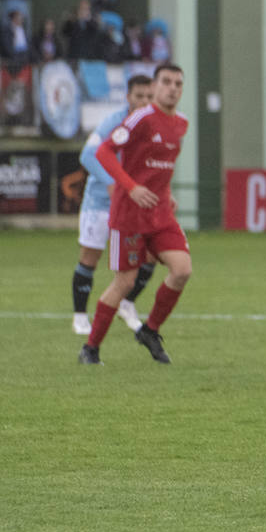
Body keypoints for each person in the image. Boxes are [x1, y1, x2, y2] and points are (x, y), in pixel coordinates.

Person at [78, 64, 192, 366]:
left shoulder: (181, 124)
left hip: (160, 215)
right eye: (166, 82)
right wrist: (130, 188)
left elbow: (158, 168)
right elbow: (103, 152)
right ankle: (90, 349)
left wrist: (166, 195)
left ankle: (150, 330)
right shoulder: (140, 118)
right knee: (124, 283)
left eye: (178, 83)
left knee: (181, 270)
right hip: (129, 215)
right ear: (155, 87)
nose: (172, 88)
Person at [70, 75, 157, 336]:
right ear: (128, 97)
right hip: (100, 201)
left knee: (152, 253)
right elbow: (87, 155)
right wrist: (112, 182)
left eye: (148, 97)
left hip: (133, 203)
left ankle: (127, 304)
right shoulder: (114, 122)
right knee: (90, 257)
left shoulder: (153, 125)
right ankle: (80, 317)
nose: (144, 101)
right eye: (139, 96)